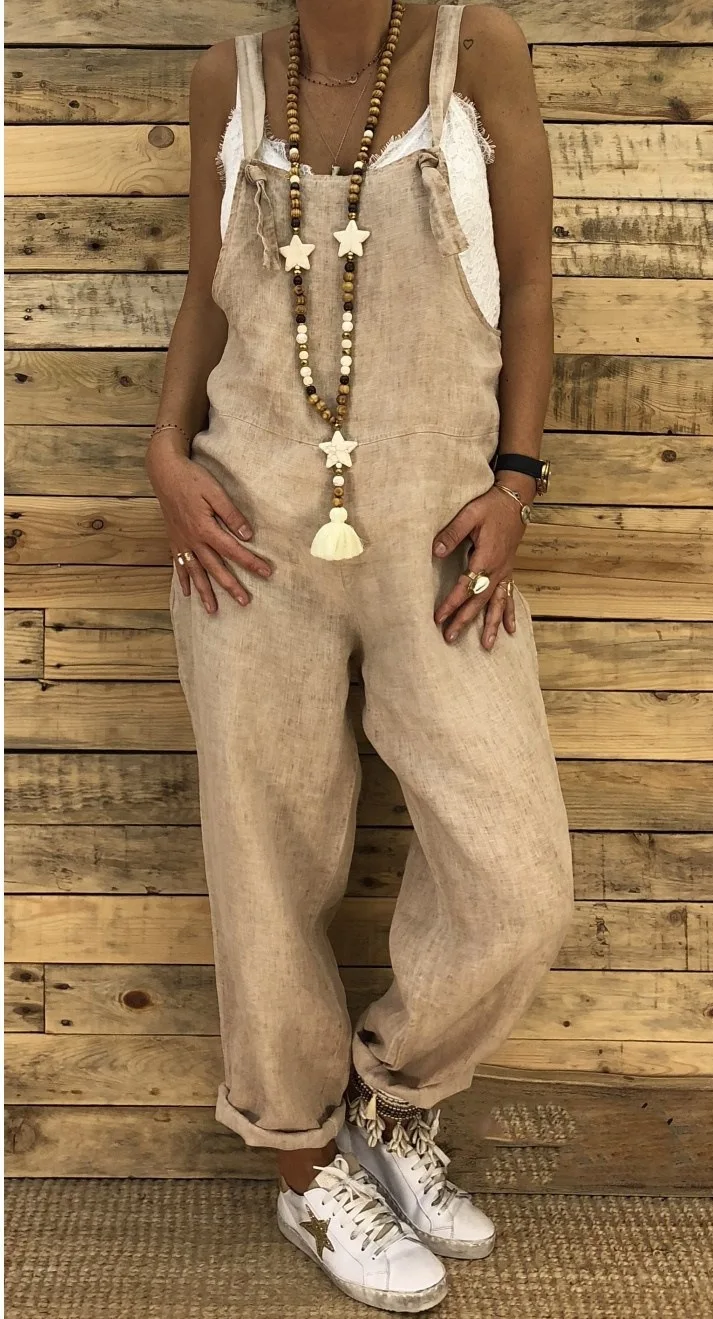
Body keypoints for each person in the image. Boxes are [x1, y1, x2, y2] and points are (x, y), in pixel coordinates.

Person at [146, 2, 574, 1310]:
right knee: (264, 858)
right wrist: (165, 454)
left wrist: (517, 479)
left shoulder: (475, 51)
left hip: (441, 538)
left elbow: (531, 279)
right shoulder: (229, 78)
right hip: (248, 536)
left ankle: (387, 1101)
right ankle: (303, 1161)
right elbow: (205, 297)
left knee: (518, 879)